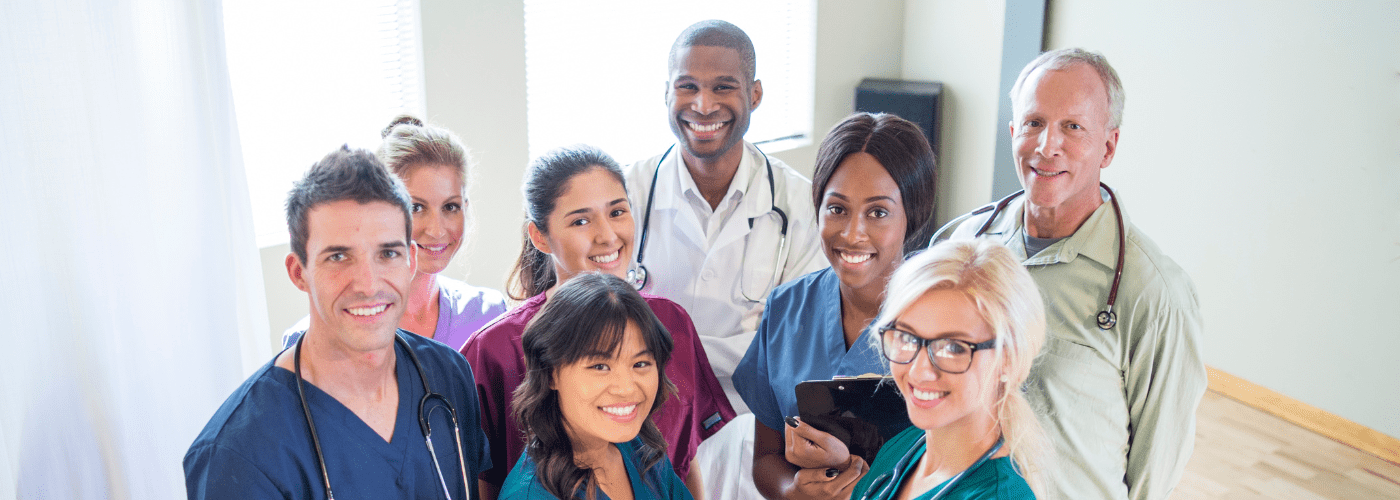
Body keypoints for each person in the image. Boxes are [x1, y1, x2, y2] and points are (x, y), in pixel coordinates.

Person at [938, 48, 1205, 500]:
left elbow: (1155, 471)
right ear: (1012, 132)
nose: (1047, 146)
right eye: (1033, 123)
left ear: (1108, 146)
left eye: (1073, 127)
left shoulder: (1155, 293)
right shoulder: (960, 246)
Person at [185, 146, 490, 498]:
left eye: (387, 253)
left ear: (410, 261)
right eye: (339, 256)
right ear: (299, 272)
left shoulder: (448, 375)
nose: (368, 284)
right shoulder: (239, 451)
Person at [623, 20, 826, 499]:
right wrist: (744, 349)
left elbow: (791, 355)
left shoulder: (800, 205)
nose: (704, 105)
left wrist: (661, 350)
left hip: (758, 442)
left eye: (723, 87)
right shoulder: (627, 193)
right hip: (645, 432)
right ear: (666, 93)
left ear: (754, 95)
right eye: (687, 87)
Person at [461, 145, 733, 500]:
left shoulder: (670, 322)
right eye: (581, 220)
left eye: (618, 212)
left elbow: (683, 457)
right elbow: (482, 481)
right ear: (539, 236)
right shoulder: (493, 349)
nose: (607, 236)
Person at [733, 112, 938, 499]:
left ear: (912, 215)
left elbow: (972, 466)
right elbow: (766, 458)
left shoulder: (948, 322)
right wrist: (793, 491)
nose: (852, 233)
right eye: (837, 209)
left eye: (878, 212)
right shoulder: (787, 307)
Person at [848, 238, 1051, 500]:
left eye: (953, 348)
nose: (919, 371)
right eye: (907, 338)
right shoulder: (902, 447)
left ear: (1008, 360)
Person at [283, 116, 508, 351]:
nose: (437, 230)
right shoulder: (306, 343)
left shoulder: (489, 314)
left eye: (450, 207)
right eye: (416, 208)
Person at [500, 273, 693, 500]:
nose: (626, 388)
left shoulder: (642, 453)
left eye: (640, 364)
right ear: (550, 373)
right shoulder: (531, 495)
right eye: (600, 366)